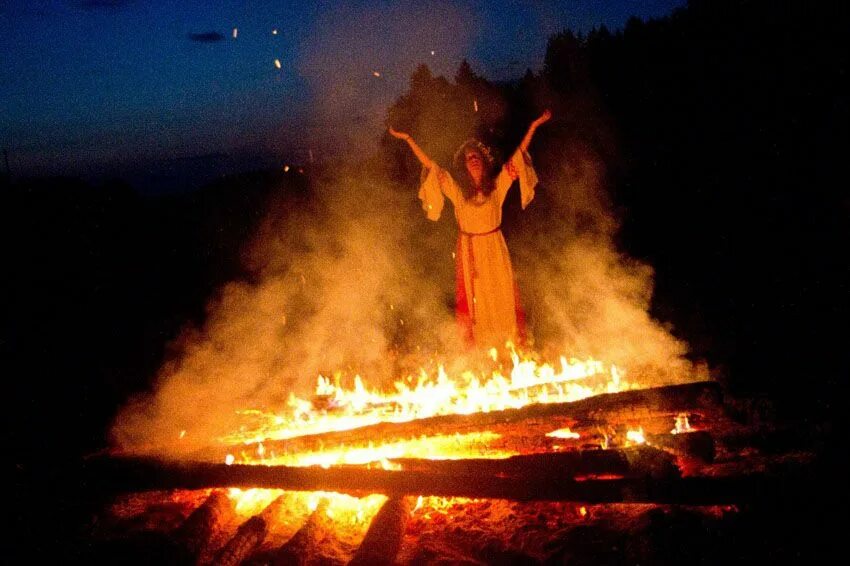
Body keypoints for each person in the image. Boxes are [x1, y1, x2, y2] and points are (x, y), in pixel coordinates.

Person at [389, 110, 551, 348]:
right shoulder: (459, 193)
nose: (473, 159)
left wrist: (534, 126)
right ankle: (483, 350)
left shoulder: (497, 187)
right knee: (478, 302)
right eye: (468, 158)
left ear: (483, 162)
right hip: (470, 251)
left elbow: (519, 155)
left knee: (501, 295)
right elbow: (433, 167)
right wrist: (409, 139)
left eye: (475, 156)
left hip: (495, 249)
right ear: (465, 166)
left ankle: (509, 346)